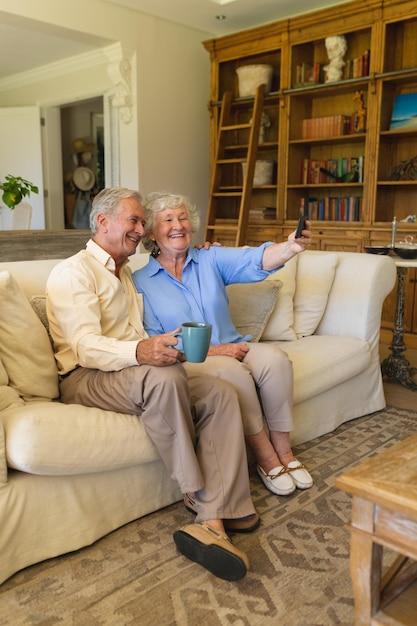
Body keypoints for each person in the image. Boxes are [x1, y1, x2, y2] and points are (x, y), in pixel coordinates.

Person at [45, 187, 259, 582]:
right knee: (163, 376)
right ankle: (198, 493)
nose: (142, 230)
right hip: (85, 377)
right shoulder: (73, 272)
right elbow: (85, 347)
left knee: (220, 392)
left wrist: (161, 346)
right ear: (103, 221)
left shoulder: (125, 272)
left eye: (143, 222)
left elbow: (143, 331)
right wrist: (143, 351)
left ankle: (217, 515)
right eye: (135, 220)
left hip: (129, 371)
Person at [132, 192, 314, 501]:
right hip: (189, 360)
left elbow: (254, 259)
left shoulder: (210, 258)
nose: (178, 225)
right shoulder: (139, 281)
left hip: (234, 345)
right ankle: (267, 458)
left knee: (275, 360)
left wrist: (290, 247)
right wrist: (215, 352)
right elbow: (153, 338)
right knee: (233, 371)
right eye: (168, 220)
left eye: (183, 218)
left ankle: (286, 452)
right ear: (151, 233)